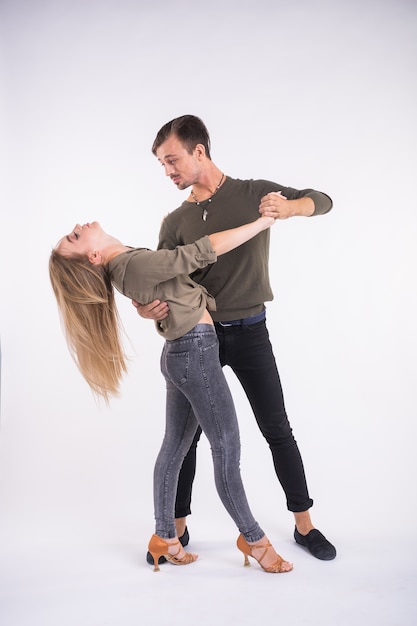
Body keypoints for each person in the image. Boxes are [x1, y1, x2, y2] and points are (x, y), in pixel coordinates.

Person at [135, 114, 337, 562]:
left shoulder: (252, 192)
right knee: (184, 438)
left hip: (250, 332)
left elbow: (321, 200)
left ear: (199, 151)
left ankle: (305, 525)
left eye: (172, 161)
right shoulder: (176, 221)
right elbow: (161, 280)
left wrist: (291, 208)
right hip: (195, 337)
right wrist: (145, 308)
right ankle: (176, 530)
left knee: (276, 428)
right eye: (162, 165)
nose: (168, 172)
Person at [49, 218, 294, 574]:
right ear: (94, 256)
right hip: (194, 354)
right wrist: (263, 223)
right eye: (74, 237)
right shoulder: (132, 265)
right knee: (226, 448)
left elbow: (164, 282)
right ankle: (254, 540)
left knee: (175, 448)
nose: (76, 226)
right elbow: (201, 252)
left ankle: (165, 538)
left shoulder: (127, 264)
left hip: (183, 354)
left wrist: (147, 304)